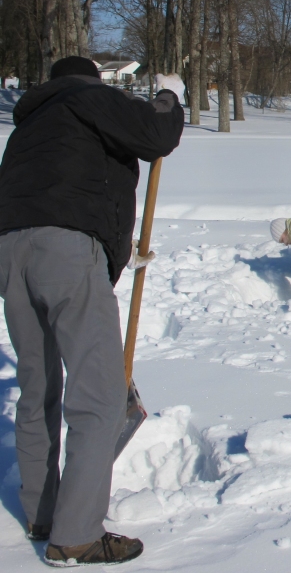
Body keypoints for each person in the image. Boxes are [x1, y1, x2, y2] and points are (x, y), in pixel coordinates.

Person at [0, 56, 184, 566]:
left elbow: (69, 182)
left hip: (11, 255)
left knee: (37, 388)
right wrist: (170, 98)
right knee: (100, 397)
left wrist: (114, 251)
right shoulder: (88, 98)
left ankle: (43, 512)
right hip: (66, 249)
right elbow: (154, 137)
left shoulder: (29, 126)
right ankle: (76, 535)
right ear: (92, 80)